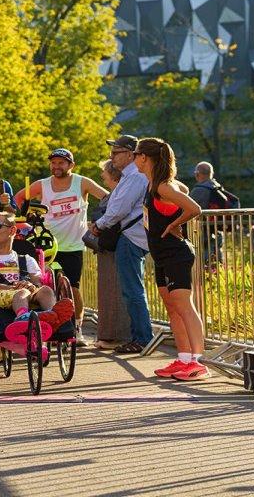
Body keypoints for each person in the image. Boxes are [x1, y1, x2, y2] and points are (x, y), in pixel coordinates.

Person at [134, 138, 207, 381]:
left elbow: (194, 208)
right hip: (161, 254)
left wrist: (175, 223)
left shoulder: (163, 187)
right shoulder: (156, 185)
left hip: (176, 253)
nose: (134, 159)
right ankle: (184, 358)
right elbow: (182, 191)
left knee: (184, 306)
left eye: (135, 154)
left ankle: (198, 362)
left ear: (144, 157)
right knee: (172, 308)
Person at [13, 148, 109, 329]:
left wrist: (99, 222)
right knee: (46, 287)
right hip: (46, 245)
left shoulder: (82, 183)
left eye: (61, 163)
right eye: (53, 163)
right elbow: (18, 197)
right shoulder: (43, 184)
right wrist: (27, 218)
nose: (56, 166)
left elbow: (107, 198)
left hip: (74, 245)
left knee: (73, 288)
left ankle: (77, 327)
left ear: (71, 165)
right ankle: (51, 325)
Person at [0, 212, 75, 345]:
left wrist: (31, 286)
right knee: (21, 292)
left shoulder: (27, 259)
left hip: (25, 293)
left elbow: (37, 282)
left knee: (46, 290)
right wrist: (14, 288)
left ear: (12, 230)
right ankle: (22, 320)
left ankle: (53, 318)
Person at [87, 134, 151, 355]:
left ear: (131, 154)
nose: (111, 157)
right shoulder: (131, 176)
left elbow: (120, 208)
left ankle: (142, 338)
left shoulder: (134, 177)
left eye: (116, 153)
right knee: (132, 289)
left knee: (132, 290)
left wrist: (100, 224)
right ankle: (140, 336)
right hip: (132, 236)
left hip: (131, 238)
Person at [90, 159, 131, 349]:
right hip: (108, 247)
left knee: (114, 289)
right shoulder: (115, 192)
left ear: (112, 174)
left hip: (112, 246)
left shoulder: (117, 194)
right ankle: (109, 335)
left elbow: (113, 217)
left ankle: (114, 336)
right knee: (109, 290)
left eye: (104, 173)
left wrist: (97, 225)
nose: (102, 177)